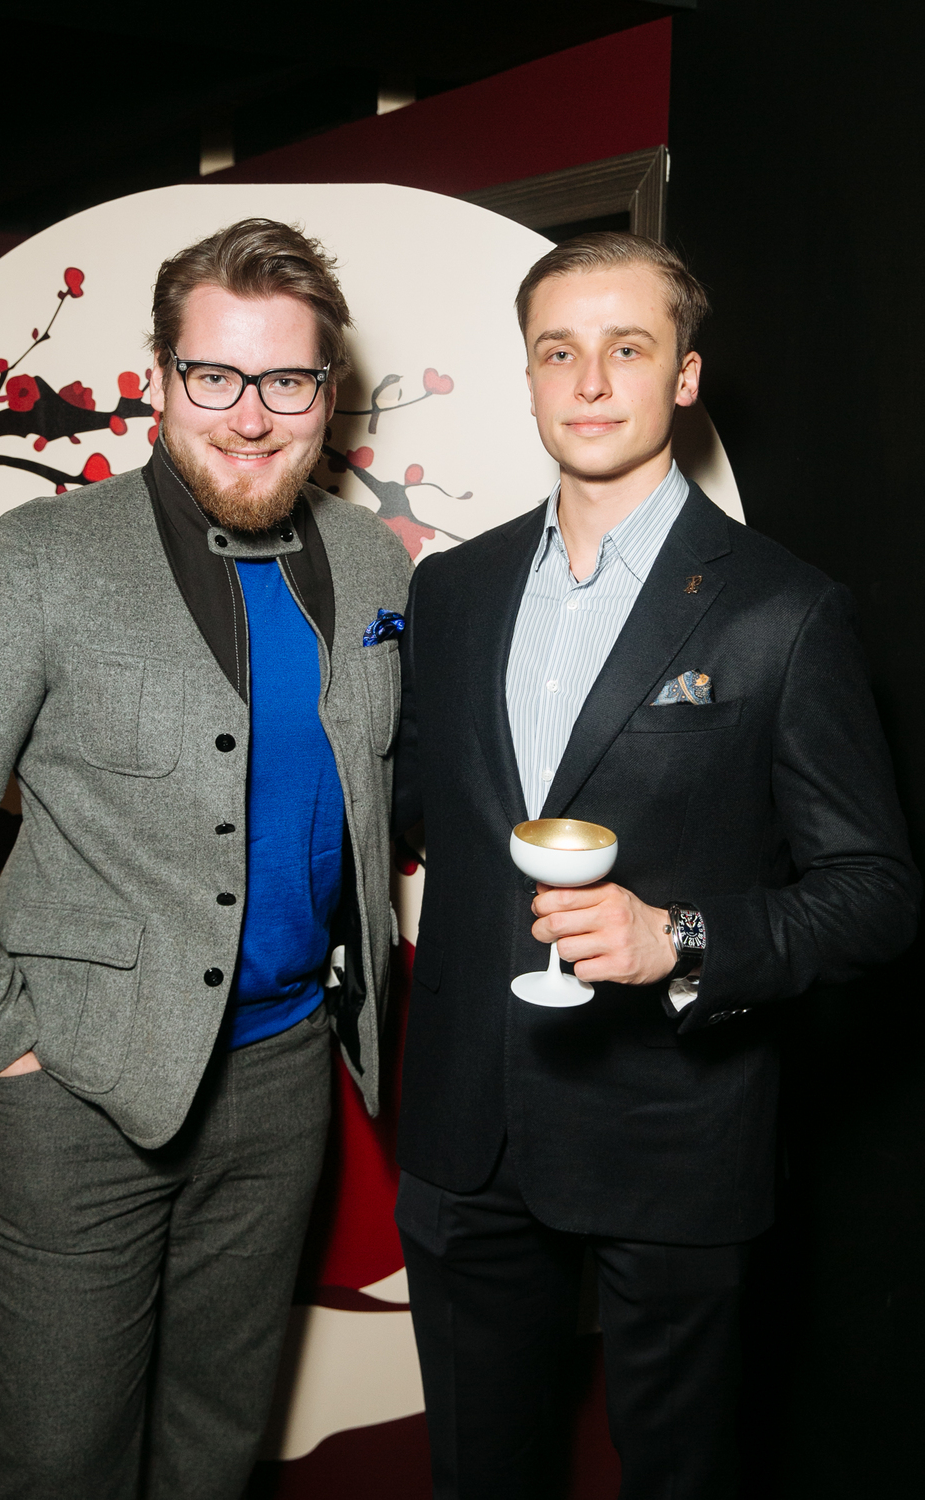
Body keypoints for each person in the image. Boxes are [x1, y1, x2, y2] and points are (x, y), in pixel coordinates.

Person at [392, 231, 919, 1500]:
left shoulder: (781, 609)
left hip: (673, 1131)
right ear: (527, 374)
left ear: (683, 375)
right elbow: (412, 807)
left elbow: (875, 895)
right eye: (557, 352)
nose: (588, 382)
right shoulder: (453, 590)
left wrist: (675, 936)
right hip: (465, 1129)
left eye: (626, 349)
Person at [0, 217, 412, 1499]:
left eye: (286, 380)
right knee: (65, 1461)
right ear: (160, 377)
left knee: (214, 1446)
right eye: (215, 375)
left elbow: (392, 786)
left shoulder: (374, 561)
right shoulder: (39, 560)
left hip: (283, 1078)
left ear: (327, 393)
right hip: (71, 1091)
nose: (251, 416)